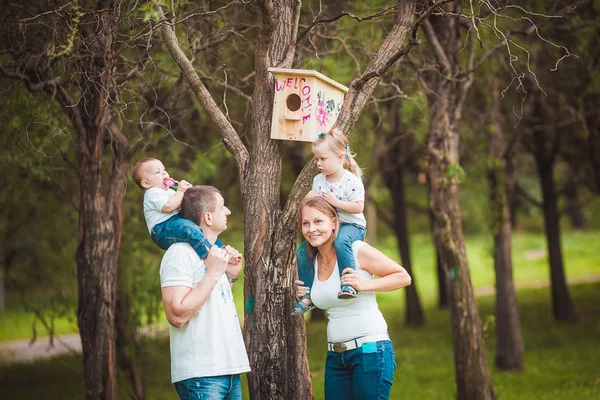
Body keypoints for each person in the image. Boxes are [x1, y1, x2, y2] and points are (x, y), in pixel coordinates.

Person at [294, 196, 411, 400]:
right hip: (335, 357)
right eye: (306, 223)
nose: (311, 229)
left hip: (370, 352)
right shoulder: (310, 262)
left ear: (333, 221)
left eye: (318, 221)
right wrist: (305, 294)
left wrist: (363, 285)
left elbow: (403, 276)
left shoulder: (356, 250)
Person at [160, 185, 250, 400]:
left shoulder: (213, 254)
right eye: (222, 207)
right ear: (208, 217)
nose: (228, 211)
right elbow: (177, 315)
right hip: (201, 375)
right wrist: (214, 272)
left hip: (229, 370)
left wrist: (231, 275)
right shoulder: (180, 253)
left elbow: (211, 304)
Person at [292, 129, 367, 315]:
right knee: (302, 252)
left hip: (352, 225)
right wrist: (309, 197)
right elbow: (314, 204)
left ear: (340, 158)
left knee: (341, 242)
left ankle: (349, 284)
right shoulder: (319, 181)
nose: (318, 163)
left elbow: (358, 207)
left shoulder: (351, 181)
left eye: (323, 159)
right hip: (330, 227)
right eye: (316, 159)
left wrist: (337, 203)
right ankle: (307, 295)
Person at [132, 158, 238, 267]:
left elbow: (180, 202)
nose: (164, 173)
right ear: (146, 183)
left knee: (200, 231)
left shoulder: (167, 190)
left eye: (164, 170)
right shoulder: (152, 193)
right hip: (162, 229)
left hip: (174, 222)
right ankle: (208, 255)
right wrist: (180, 191)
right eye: (158, 172)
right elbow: (168, 207)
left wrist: (188, 194)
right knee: (188, 228)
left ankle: (222, 251)